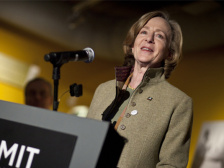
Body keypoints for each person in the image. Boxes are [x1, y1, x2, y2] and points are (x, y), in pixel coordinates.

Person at [87, 10, 193, 168]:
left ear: (169, 53)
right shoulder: (103, 90)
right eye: (144, 32)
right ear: (132, 44)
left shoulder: (179, 103)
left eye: (159, 36)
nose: (149, 39)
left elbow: (172, 165)